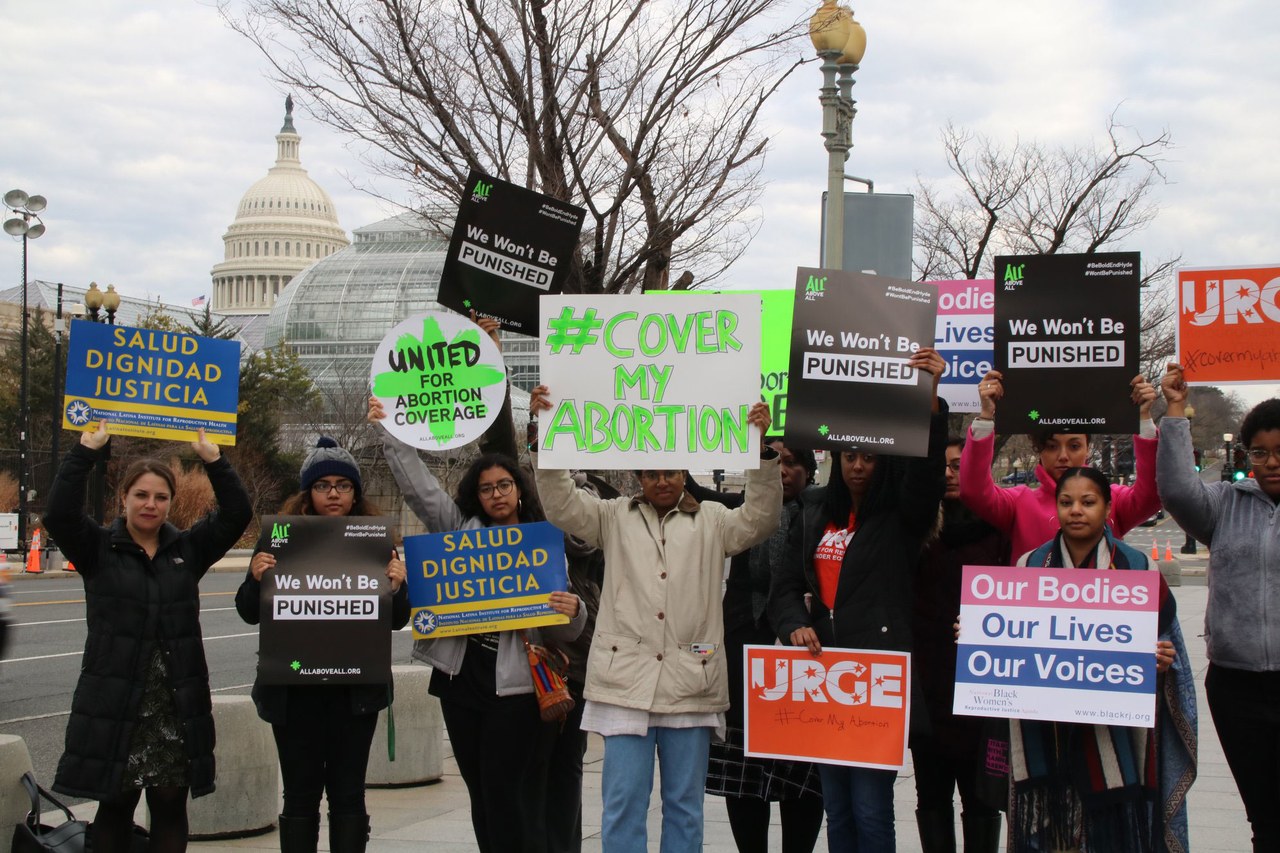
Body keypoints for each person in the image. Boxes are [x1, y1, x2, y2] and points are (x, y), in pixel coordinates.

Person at [529, 386, 782, 853]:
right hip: (625, 685)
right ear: (638, 477)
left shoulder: (714, 519)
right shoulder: (612, 516)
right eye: (651, 473)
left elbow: (761, 519)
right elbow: (561, 505)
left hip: (691, 685)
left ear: (685, 474)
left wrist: (762, 452)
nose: (661, 481)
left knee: (685, 806)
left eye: (670, 472)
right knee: (623, 803)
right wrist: (543, 438)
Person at [369, 396, 586, 853]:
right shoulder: (458, 529)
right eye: (486, 489)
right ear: (476, 495)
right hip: (460, 681)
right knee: (481, 796)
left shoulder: (543, 541)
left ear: (519, 489)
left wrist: (574, 611)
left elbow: (564, 630)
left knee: (507, 793)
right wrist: (390, 431)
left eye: (504, 485)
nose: (496, 494)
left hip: (518, 689)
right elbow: (419, 488)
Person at [769, 347, 949, 853]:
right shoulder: (814, 511)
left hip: (877, 681)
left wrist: (930, 402)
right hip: (825, 676)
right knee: (838, 809)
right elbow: (785, 586)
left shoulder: (899, 518)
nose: (858, 466)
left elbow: (926, 482)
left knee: (871, 811)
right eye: (849, 456)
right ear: (836, 459)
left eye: (868, 457)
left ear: (882, 459)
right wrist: (793, 625)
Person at [42, 422, 252, 853]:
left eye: (161, 497)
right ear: (124, 498)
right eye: (141, 495)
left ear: (171, 502)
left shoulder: (187, 550)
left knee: (170, 804)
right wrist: (85, 451)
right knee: (115, 805)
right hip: (117, 703)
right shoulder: (98, 549)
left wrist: (214, 460)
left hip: (175, 705)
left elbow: (236, 515)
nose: (151, 504)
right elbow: (59, 515)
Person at [999, 466, 1196, 852]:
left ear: (1107, 508)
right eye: (1066, 502)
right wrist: (976, 634)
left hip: (1115, 737)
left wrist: (1162, 661)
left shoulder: (1138, 568)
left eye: (1088, 502)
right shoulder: (1028, 566)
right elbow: (1008, 639)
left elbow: (1172, 652)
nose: (1076, 510)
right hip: (1045, 730)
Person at [235, 437, 409, 853]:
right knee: (300, 794)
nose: (334, 493)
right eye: (323, 485)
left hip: (355, 694)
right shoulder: (280, 540)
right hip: (294, 693)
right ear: (307, 493)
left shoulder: (376, 542)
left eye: (343, 485)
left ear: (355, 494)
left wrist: (398, 586)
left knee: (349, 794)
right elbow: (248, 612)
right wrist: (255, 579)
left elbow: (397, 620)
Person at [1158, 364, 1280, 851]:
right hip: (1237, 688)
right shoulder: (1225, 504)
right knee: (1265, 818)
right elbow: (1176, 491)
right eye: (1260, 452)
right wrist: (1174, 411)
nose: (1271, 462)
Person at [685, 445, 825, 853]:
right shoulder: (739, 510)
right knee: (743, 775)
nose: (781, 470)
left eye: (791, 463)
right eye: (772, 461)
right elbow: (691, 489)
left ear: (809, 471)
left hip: (804, 658)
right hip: (742, 656)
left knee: (803, 776)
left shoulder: (821, 514)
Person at [910, 437, 1007, 853]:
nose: (949, 474)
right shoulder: (918, 529)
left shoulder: (1000, 529)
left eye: (958, 465)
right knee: (931, 797)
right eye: (943, 466)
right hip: (928, 686)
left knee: (981, 798)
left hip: (980, 691)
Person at [959, 369, 1161, 560]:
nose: (1063, 456)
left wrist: (1143, 418)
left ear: (1088, 448)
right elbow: (974, 491)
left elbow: (1153, 494)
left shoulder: (1112, 499)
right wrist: (986, 416)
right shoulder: (1018, 503)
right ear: (1039, 450)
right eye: (1052, 446)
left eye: (1074, 446)